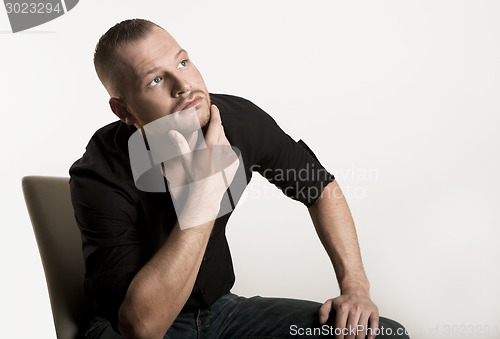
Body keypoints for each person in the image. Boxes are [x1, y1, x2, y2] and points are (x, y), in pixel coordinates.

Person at [69, 18, 409, 339]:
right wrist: (204, 196)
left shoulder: (239, 123)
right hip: (128, 327)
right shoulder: (99, 174)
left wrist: (355, 288)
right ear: (124, 110)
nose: (184, 85)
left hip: (222, 312)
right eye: (155, 80)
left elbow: (320, 187)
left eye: (183, 63)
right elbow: (143, 328)